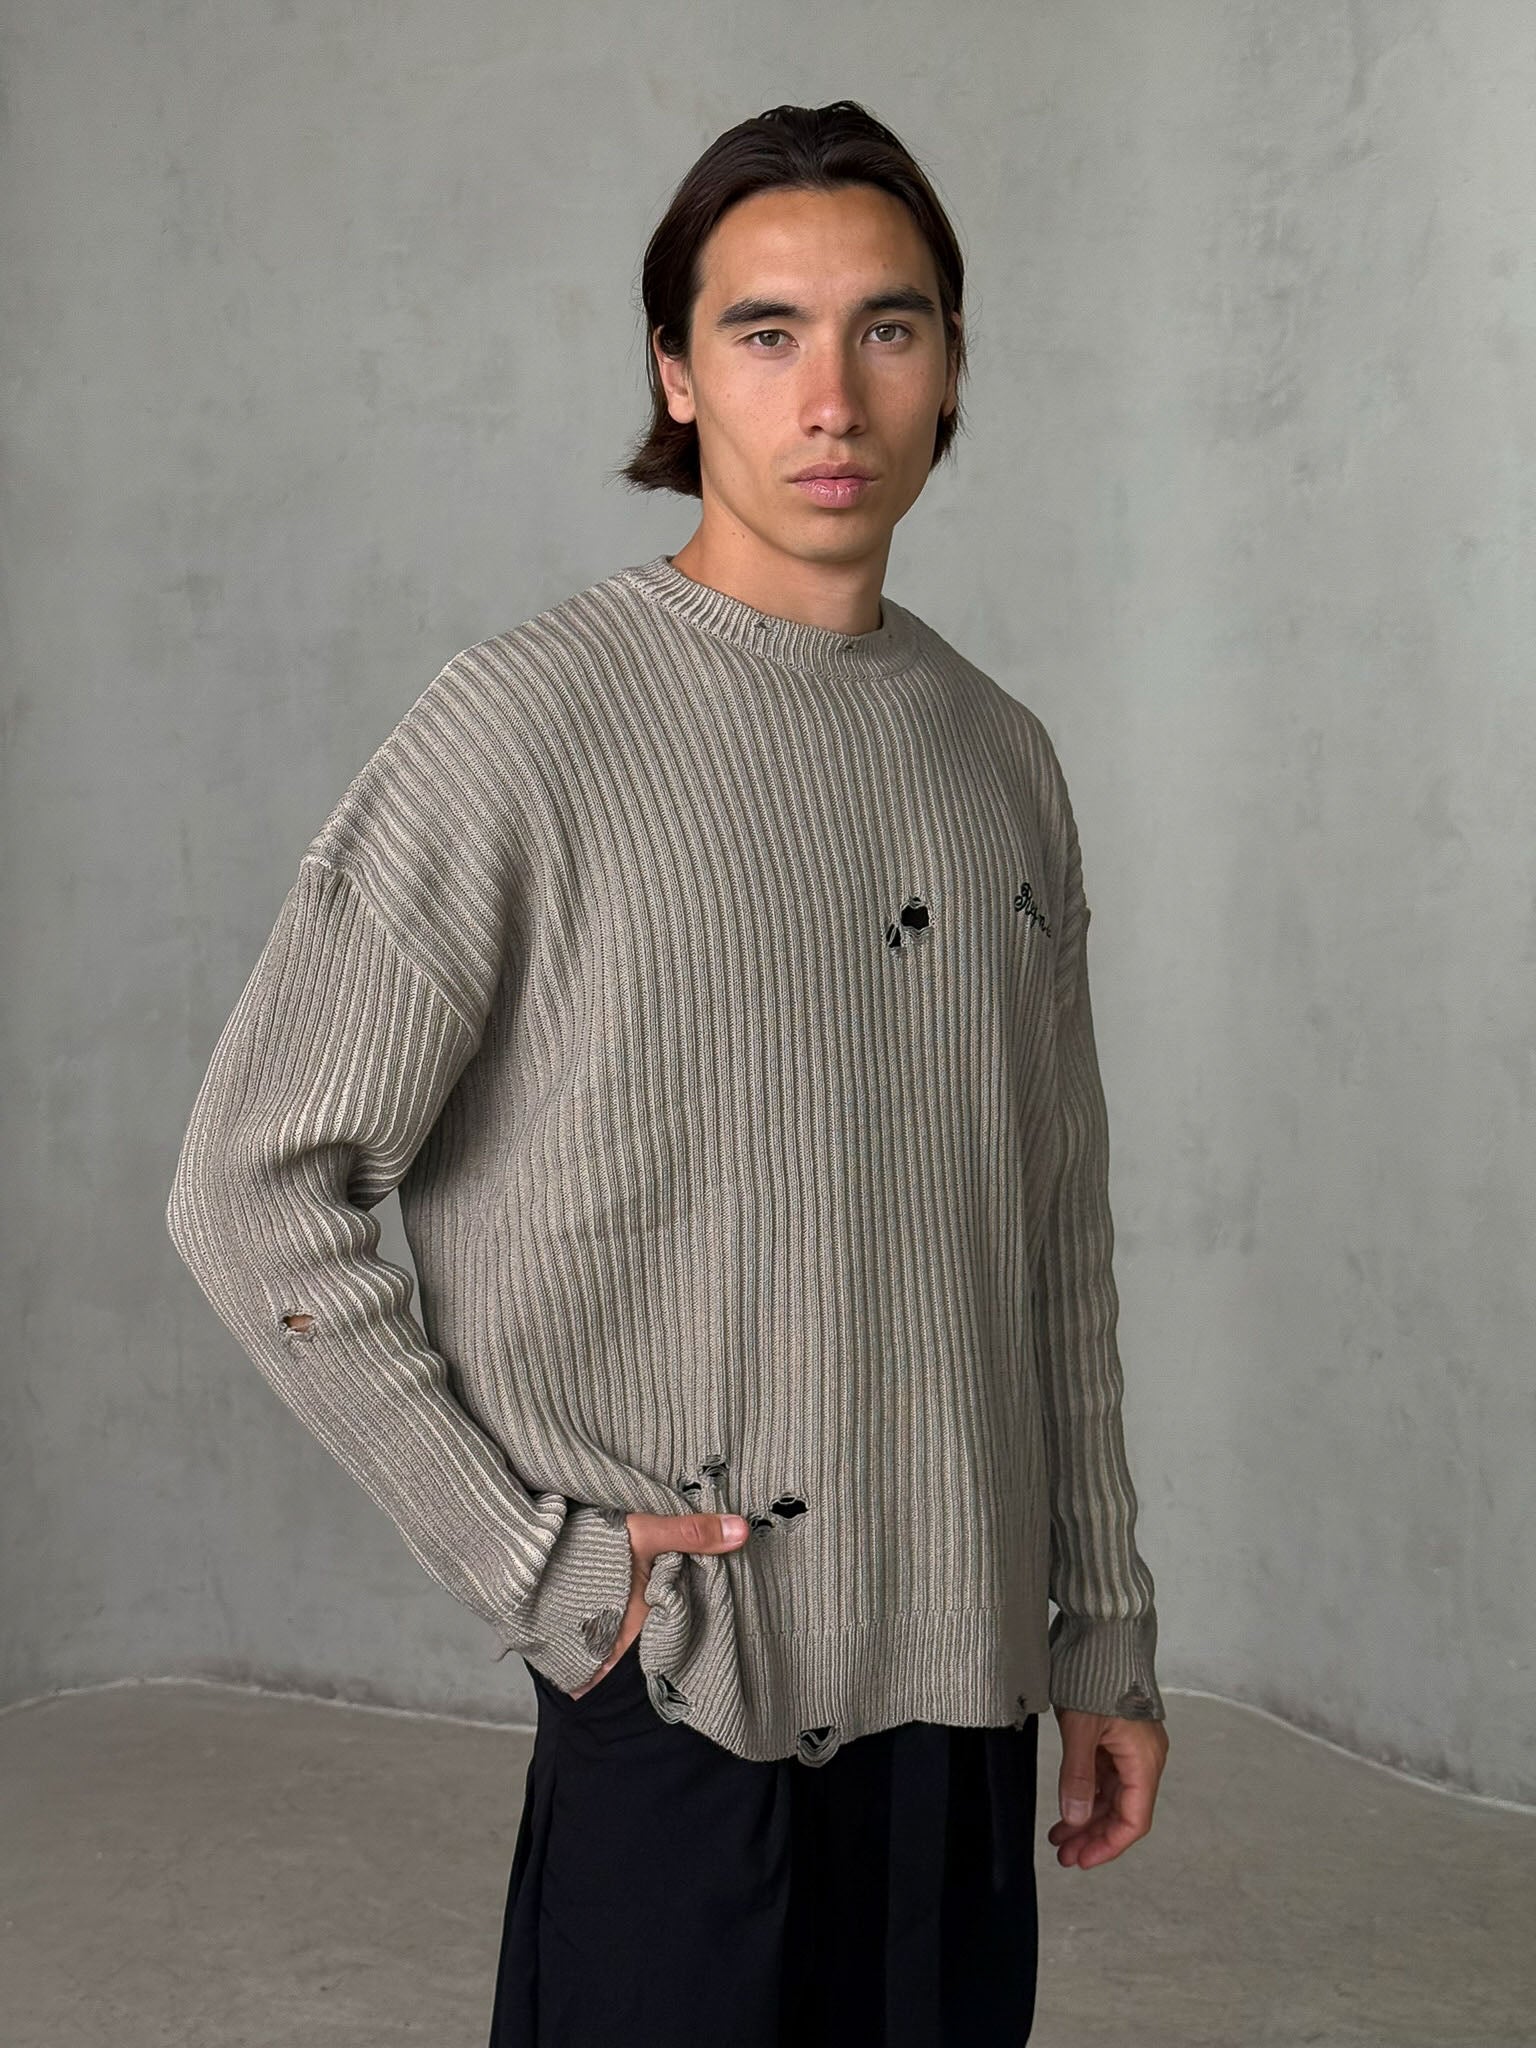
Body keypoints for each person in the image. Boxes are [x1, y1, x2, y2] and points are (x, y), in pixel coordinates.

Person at [167, 98, 1169, 2048]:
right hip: (686, 1682)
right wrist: (532, 1564)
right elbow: (249, 1182)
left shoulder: (1000, 757)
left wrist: (1102, 1624)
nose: (833, 396)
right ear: (676, 371)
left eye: (887, 327)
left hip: (965, 1690)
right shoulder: (523, 731)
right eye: (765, 331)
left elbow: (1050, 1230)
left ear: (951, 363)